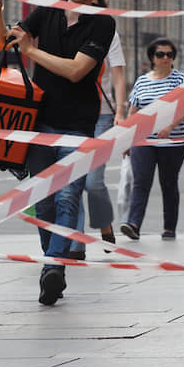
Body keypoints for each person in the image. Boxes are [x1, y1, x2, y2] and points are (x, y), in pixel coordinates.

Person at [0, 0, 115, 305]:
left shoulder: (102, 22)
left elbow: (76, 70)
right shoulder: (48, 10)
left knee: (70, 194)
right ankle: (51, 265)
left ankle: (53, 268)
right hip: (39, 121)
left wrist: (33, 52)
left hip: (78, 123)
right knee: (44, 200)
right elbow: (4, 42)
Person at [120, 38, 184, 241]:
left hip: (172, 141)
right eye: (160, 54)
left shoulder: (180, 79)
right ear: (152, 57)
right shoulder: (142, 82)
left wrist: (169, 127)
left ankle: (169, 228)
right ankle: (133, 224)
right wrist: (126, 139)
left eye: (169, 54)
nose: (165, 58)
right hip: (144, 140)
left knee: (168, 183)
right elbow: (133, 112)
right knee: (141, 182)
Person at [68, 29, 126, 260]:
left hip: (101, 116)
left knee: (93, 181)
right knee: (72, 181)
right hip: (69, 115)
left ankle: (104, 225)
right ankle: (76, 243)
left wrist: (120, 110)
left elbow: (118, 74)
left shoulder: (108, 33)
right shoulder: (61, 30)